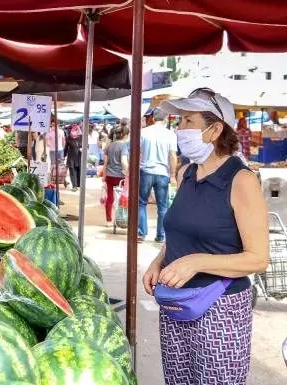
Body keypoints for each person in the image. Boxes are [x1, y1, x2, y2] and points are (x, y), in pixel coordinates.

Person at [143, 88, 268, 385]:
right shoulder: (185, 173)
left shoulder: (242, 180)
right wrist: (158, 261)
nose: (179, 129)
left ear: (214, 130)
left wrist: (197, 262)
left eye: (187, 121)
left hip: (220, 308)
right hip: (175, 304)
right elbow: (181, 230)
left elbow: (259, 258)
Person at [138, 108, 178, 242]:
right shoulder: (170, 134)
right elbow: (172, 155)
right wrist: (172, 175)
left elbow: (137, 153)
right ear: (166, 120)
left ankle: (141, 233)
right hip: (163, 173)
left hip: (146, 172)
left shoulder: (143, 132)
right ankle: (161, 235)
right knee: (162, 206)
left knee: (142, 203)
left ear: (153, 119)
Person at [102, 124, 129, 226]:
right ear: (125, 135)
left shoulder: (110, 146)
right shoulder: (123, 146)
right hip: (120, 176)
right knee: (123, 197)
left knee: (110, 198)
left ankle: (108, 220)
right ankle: (122, 219)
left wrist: (104, 176)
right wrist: (128, 172)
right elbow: (123, 161)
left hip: (109, 176)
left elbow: (105, 163)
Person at [65, 123, 83, 191]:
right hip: (71, 157)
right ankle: (74, 185)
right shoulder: (69, 137)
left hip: (80, 157)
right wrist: (63, 156)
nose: (74, 131)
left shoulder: (82, 137)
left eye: (76, 129)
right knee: (72, 171)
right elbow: (66, 148)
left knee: (79, 170)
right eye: (73, 129)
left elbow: (87, 146)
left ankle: (79, 184)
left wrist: (83, 149)